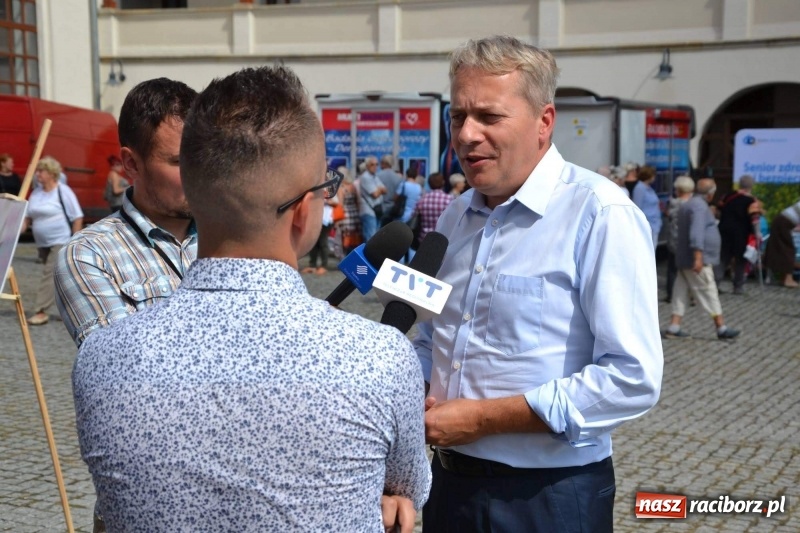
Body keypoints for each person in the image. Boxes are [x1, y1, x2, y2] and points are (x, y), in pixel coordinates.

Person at [72, 65, 430, 532]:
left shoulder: (101, 358)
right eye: (327, 187)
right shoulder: (382, 360)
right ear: (303, 212)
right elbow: (406, 489)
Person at [413, 35, 663, 533]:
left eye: (489, 116)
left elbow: (631, 378)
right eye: (457, 116)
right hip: (447, 487)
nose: (465, 134)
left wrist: (484, 419)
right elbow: (429, 339)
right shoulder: (454, 218)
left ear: (544, 122)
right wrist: (405, 384)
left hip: (548, 496)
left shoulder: (600, 214)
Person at [54, 78, 199, 349]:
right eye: (179, 161)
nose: (198, 174)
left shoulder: (234, 237)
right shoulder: (90, 254)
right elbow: (122, 368)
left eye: (201, 157)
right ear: (131, 163)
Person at [663, 178, 740, 340]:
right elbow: (696, 233)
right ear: (710, 195)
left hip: (684, 258)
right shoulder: (699, 207)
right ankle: (721, 327)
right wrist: (698, 257)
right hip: (696, 259)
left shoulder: (689, 204)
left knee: (680, 293)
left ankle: (674, 326)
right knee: (708, 290)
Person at [20, 156, 83, 325]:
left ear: (51, 174)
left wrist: (73, 241)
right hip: (42, 243)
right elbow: (27, 217)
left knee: (49, 275)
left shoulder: (63, 191)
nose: (37, 174)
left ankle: (41, 311)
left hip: (60, 240)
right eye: (38, 170)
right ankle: (78, 309)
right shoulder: (36, 192)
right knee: (61, 278)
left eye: (41, 171)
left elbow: (77, 217)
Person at [714, 174, 762, 294]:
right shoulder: (752, 201)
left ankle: (715, 284)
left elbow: (718, 211)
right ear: (751, 186)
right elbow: (755, 219)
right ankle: (738, 286)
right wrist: (757, 234)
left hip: (724, 231)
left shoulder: (727, 196)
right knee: (741, 260)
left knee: (722, 258)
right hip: (741, 233)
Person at [664, 175, 695, 302]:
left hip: (674, 239)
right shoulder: (692, 205)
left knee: (672, 269)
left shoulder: (673, 204)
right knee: (690, 269)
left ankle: (671, 294)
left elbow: (669, 216)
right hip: (687, 240)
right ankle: (691, 296)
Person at [301, 177, 341, 275]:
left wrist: (326, 200)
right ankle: (312, 264)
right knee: (313, 242)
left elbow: (336, 202)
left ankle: (324, 265)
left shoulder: (329, 187)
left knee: (323, 241)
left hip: (326, 218)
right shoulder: (313, 186)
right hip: (314, 217)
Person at [763, 198, 800, 288]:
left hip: (782, 222)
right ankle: (788, 279)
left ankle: (783, 278)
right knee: (787, 249)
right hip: (784, 223)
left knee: (782, 249)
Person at [414, 171, 452, 244]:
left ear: (429, 184)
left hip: (424, 239)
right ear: (443, 182)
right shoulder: (449, 199)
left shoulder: (422, 199)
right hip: (443, 239)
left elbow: (413, 215)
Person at [632, 165, 662, 246]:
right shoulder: (640, 188)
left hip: (654, 223)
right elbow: (637, 206)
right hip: (647, 224)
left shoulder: (649, 188)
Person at [335, 165, 362, 254]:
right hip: (354, 214)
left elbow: (341, 204)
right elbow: (357, 201)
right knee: (355, 237)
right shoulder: (353, 186)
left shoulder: (341, 188)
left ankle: (346, 256)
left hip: (345, 215)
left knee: (345, 237)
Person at [358, 155, 387, 241]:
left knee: (376, 237)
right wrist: (379, 189)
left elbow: (385, 190)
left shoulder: (375, 176)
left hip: (376, 210)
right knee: (370, 238)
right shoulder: (365, 177)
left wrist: (379, 190)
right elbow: (375, 194)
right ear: (367, 166)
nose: (375, 167)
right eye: (372, 164)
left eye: (376, 164)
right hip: (368, 211)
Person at [377, 154, 404, 226]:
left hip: (380, 207)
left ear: (383, 163)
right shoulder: (398, 177)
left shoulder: (377, 176)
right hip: (393, 208)